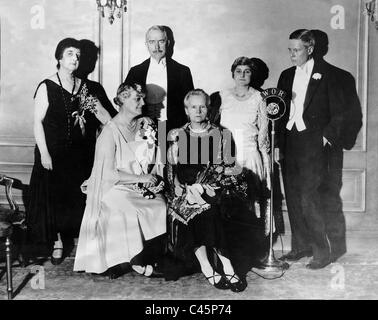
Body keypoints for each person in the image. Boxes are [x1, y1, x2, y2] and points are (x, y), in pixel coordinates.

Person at [276, 29, 362, 269]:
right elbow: (279, 113)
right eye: (290, 50)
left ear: (310, 49)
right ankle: (300, 246)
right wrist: (277, 145)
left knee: (311, 198)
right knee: (293, 196)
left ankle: (322, 251)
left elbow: (347, 113)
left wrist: (326, 138)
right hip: (290, 142)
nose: (292, 54)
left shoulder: (334, 75)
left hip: (316, 145)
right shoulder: (285, 75)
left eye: (297, 50)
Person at [26, 38, 113, 265]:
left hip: (77, 154)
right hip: (52, 153)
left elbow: (102, 115)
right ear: (59, 58)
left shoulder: (84, 87)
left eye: (77, 55)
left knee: (73, 198)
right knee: (54, 198)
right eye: (70, 54)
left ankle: (77, 239)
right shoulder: (47, 85)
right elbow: (37, 123)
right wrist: (44, 154)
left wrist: (119, 126)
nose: (75, 58)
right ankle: (57, 242)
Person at [74, 83, 167, 278]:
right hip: (114, 188)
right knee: (128, 208)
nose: (143, 103)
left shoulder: (146, 124)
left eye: (143, 98)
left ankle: (144, 255)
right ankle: (131, 261)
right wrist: (140, 178)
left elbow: (156, 157)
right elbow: (107, 174)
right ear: (123, 100)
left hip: (139, 186)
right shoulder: (109, 132)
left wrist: (156, 177)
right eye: (137, 99)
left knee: (159, 204)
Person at [166, 89, 246, 292]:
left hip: (212, 189)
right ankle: (207, 266)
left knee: (211, 211)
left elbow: (233, 167)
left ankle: (227, 266)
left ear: (208, 108)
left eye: (202, 106)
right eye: (193, 106)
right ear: (186, 110)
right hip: (184, 192)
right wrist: (179, 189)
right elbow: (169, 169)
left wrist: (213, 181)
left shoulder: (222, 134)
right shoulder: (175, 134)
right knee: (193, 210)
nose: (198, 110)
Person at [209, 57, 271, 276]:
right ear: (232, 73)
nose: (242, 75)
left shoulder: (259, 97)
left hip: (250, 155)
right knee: (229, 204)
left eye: (247, 71)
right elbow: (213, 129)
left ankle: (254, 251)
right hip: (228, 157)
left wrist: (265, 162)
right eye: (239, 71)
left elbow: (263, 134)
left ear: (251, 75)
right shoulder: (221, 97)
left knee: (252, 205)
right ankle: (231, 253)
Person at [124, 25, 194, 133]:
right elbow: (126, 103)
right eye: (152, 42)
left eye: (161, 41)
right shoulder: (135, 72)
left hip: (175, 131)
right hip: (142, 129)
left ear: (168, 43)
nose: (156, 47)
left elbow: (190, 105)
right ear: (146, 44)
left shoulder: (182, 71)